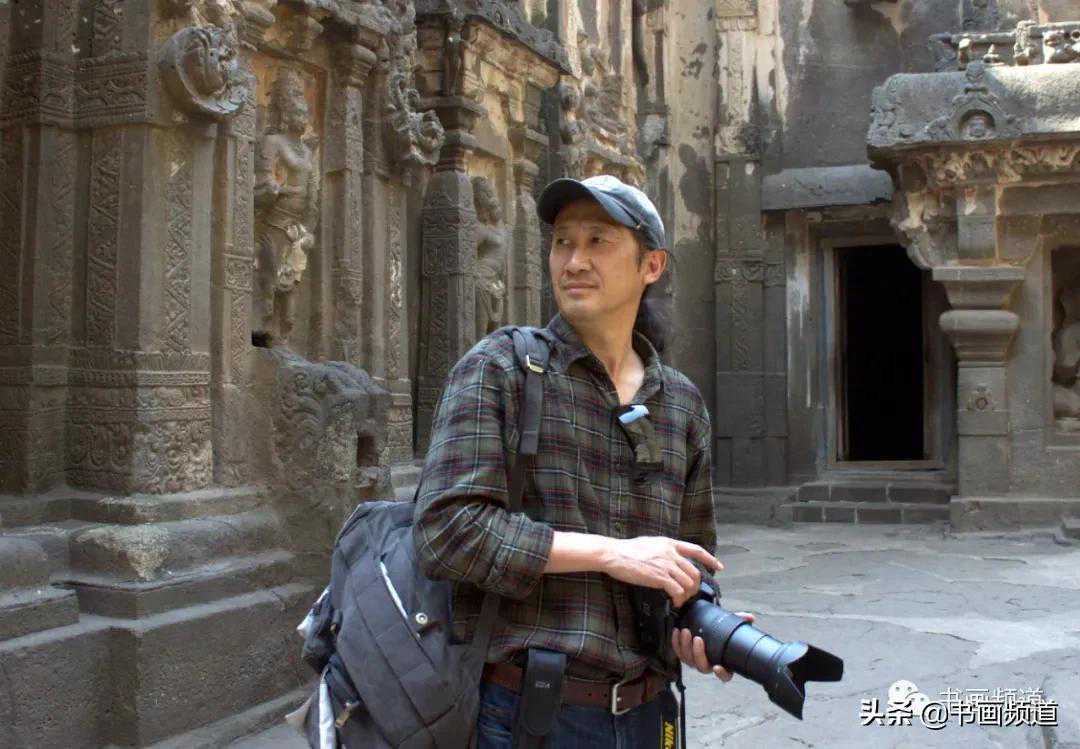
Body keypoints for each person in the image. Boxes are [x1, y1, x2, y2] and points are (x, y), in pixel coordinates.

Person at [413, 175, 754, 747]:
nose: (574, 261)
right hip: (526, 715)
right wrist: (609, 554)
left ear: (651, 265)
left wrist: (700, 625)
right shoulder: (502, 368)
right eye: (562, 242)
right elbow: (445, 531)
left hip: (649, 713)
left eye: (598, 241)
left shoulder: (680, 404)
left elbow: (689, 562)